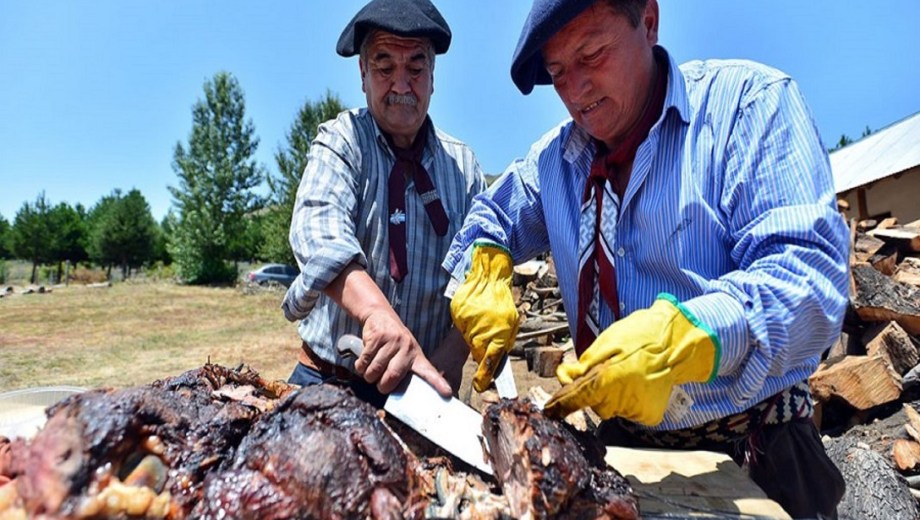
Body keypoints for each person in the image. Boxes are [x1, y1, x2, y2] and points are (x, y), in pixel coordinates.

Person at [445, 0, 847, 517]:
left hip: (761, 453)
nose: (575, 90)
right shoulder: (557, 162)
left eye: (592, 55)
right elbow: (491, 216)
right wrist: (485, 262)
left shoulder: (747, 108)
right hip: (621, 453)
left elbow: (810, 279)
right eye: (558, 73)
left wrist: (691, 336)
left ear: (649, 22)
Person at [281, 0, 486, 407]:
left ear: (433, 76)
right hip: (328, 379)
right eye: (384, 66)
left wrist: (454, 352)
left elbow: (480, 274)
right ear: (363, 74)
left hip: (422, 393)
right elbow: (319, 231)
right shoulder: (342, 141)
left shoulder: (464, 167)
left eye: (416, 68)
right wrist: (377, 314)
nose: (401, 85)